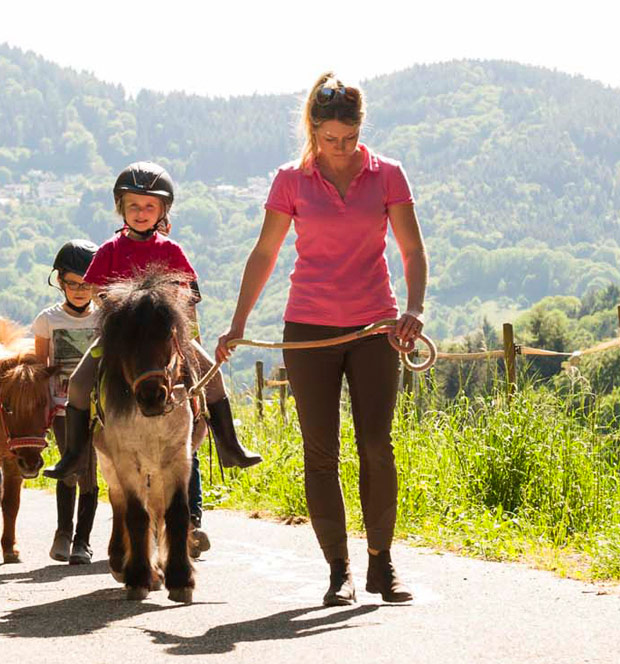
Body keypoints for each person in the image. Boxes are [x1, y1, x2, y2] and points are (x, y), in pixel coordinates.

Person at [215, 73, 427, 606]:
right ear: (312, 130)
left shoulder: (387, 175)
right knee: (321, 453)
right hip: (307, 328)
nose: (339, 149)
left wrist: (414, 309)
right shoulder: (290, 179)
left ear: (361, 130)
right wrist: (239, 323)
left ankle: (382, 564)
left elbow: (411, 250)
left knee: (377, 446)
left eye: (349, 139)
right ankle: (339, 571)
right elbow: (264, 254)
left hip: (375, 327)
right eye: (329, 139)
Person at [43, 161, 264, 554]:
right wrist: (120, 305)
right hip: (120, 339)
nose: (141, 213)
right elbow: (96, 291)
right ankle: (75, 455)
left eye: (149, 207)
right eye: (133, 206)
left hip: (165, 337)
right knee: (79, 381)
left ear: (163, 212)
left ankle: (230, 445)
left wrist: (175, 321)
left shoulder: (172, 250)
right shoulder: (111, 249)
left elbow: (187, 293)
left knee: (213, 378)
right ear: (121, 209)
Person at [33, 240, 102, 564]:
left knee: (89, 470)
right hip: (62, 407)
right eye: (72, 284)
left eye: (86, 284)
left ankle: (82, 541)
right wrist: (43, 408)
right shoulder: (47, 320)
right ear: (60, 282)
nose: (79, 290)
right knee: (70, 466)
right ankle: (63, 533)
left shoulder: (104, 319)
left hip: (98, 409)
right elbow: (40, 367)